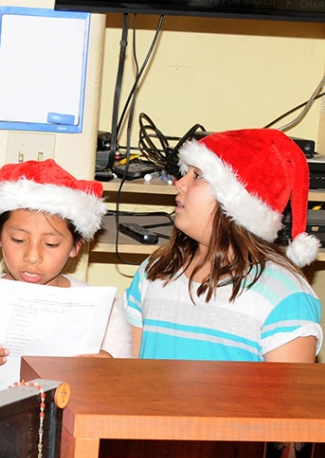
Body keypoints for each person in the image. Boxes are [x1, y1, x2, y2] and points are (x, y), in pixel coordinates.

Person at [0, 159, 131, 412]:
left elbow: (116, 412)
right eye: (18, 239)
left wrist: (109, 379)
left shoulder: (104, 311)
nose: (32, 256)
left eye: (51, 244)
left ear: (76, 247)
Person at [125, 128, 322, 361]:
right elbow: (130, 374)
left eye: (198, 175)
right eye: (186, 172)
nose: (180, 183)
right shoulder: (155, 271)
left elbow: (288, 396)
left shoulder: (284, 294)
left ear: (236, 202)